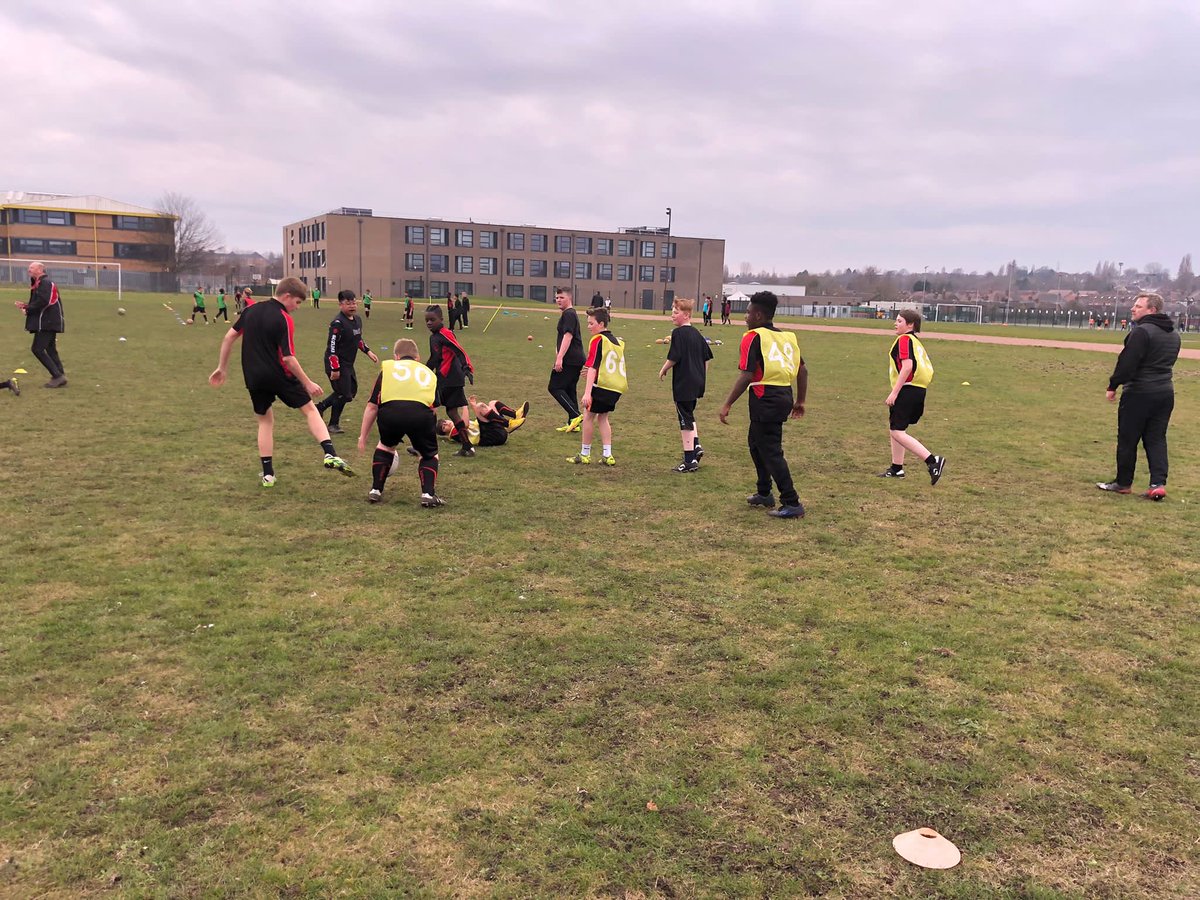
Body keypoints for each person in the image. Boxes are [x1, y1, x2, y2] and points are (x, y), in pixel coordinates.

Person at [208, 276, 354, 486]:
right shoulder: (283, 318)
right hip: (280, 375)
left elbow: (228, 337)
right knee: (311, 410)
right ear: (287, 296)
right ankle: (330, 453)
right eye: (297, 302)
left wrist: (222, 368)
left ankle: (268, 475)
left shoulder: (250, 310)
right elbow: (288, 358)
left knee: (265, 421)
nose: (296, 307)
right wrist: (307, 382)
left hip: (254, 376)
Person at [718, 291, 807, 519]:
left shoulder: (752, 337)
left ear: (758, 315)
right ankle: (764, 492)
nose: (745, 317)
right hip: (782, 394)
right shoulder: (788, 337)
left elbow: (747, 375)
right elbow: (802, 370)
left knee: (770, 451)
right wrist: (800, 401)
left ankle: (792, 502)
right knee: (756, 444)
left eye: (747, 313)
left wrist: (727, 403)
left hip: (764, 396)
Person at [1097, 293, 1180, 501]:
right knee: (1156, 438)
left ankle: (1123, 483)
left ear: (1151, 310)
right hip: (1165, 392)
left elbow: (1127, 362)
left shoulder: (1142, 332)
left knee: (1128, 438)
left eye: (1138, 306)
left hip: (1140, 392)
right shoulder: (1173, 334)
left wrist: (1113, 384)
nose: (1133, 309)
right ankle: (1157, 484)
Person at [358, 338, 444, 507]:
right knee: (429, 454)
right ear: (417, 358)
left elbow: (372, 407)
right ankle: (427, 494)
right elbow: (433, 408)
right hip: (420, 414)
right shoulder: (428, 373)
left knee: (385, 446)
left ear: (396, 357)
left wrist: (363, 436)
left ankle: (376, 490)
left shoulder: (388, 369)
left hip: (390, 413)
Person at [878, 310, 946, 485]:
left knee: (896, 431)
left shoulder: (905, 340)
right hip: (919, 390)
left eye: (899, 321)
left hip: (907, 389)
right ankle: (896, 468)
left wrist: (895, 392)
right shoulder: (916, 342)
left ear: (910, 325)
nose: (895, 323)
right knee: (897, 429)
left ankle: (932, 461)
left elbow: (907, 367)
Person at [659, 298, 712, 472]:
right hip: (697, 382)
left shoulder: (679, 334)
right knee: (689, 414)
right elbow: (706, 358)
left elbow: (675, 357)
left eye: (676, 312)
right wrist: (702, 377)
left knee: (684, 419)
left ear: (686, 315)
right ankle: (696, 446)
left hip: (684, 383)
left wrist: (664, 369)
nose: (672, 316)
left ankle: (689, 460)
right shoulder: (697, 334)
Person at [315, 289, 380, 435]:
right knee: (344, 393)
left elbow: (358, 339)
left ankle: (320, 407)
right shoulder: (337, 323)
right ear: (340, 305)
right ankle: (333, 424)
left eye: (354, 302)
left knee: (350, 392)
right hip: (336, 363)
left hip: (348, 364)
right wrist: (335, 369)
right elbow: (332, 347)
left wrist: (368, 351)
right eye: (348, 303)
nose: (352, 306)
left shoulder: (357, 320)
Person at [567, 307, 625, 466]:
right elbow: (607, 364)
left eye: (591, 323)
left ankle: (585, 454)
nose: (588, 326)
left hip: (602, 386)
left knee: (588, 416)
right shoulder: (618, 341)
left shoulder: (598, 339)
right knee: (603, 417)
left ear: (601, 323)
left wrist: (587, 393)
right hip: (616, 387)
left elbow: (592, 366)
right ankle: (608, 455)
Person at [424, 304, 476, 456]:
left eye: (432, 320)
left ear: (441, 319)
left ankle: (425, 446)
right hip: (445, 379)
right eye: (426, 320)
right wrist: (424, 371)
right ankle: (467, 446)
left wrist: (467, 368)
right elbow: (434, 359)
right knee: (451, 412)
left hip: (450, 378)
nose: (429, 323)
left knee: (429, 408)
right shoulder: (433, 337)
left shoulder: (445, 333)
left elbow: (459, 350)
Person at [14, 261, 67, 388]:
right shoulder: (39, 283)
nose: (29, 270)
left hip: (47, 322)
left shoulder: (45, 283)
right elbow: (41, 301)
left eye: (31, 268)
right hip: (47, 321)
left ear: (40, 270)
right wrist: (27, 306)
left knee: (37, 349)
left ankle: (57, 376)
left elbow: (45, 301)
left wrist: (28, 309)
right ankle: (60, 375)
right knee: (50, 349)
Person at [549, 287, 585, 432]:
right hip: (575, 359)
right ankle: (573, 423)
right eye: (557, 297)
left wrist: (559, 358)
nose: (558, 300)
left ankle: (575, 415)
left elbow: (568, 336)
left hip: (570, 359)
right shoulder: (569, 314)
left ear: (569, 298)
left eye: (561, 297)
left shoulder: (569, 314)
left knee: (555, 387)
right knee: (569, 389)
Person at [437, 396, 529, 448]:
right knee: (480, 406)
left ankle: (515, 414)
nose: (447, 423)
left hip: (493, 432)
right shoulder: (453, 434)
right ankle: (508, 424)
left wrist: (473, 406)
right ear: (445, 432)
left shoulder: (456, 425)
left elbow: (477, 421)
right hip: (491, 437)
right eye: (443, 427)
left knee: (492, 403)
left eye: (445, 421)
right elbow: (466, 425)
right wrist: (464, 405)